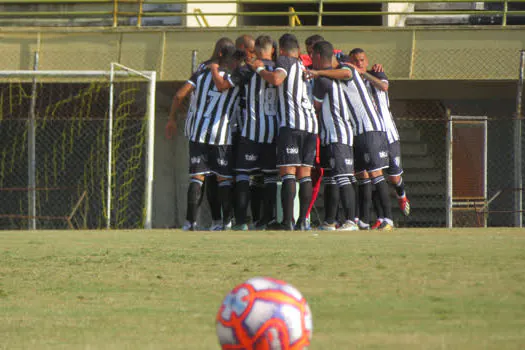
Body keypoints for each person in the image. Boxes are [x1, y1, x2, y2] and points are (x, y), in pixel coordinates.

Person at [308, 54, 394, 231]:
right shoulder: (335, 76)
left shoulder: (347, 68)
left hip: (369, 127)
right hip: (356, 131)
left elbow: (347, 73)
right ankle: (357, 220)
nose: (358, 64)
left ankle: (388, 219)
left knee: (375, 173)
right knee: (361, 175)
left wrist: (317, 72)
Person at [165, 45, 241, 231]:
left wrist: (172, 119)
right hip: (221, 134)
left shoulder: (200, 74)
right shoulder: (235, 78)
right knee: (223, 179)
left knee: (197, 178)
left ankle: (190, 222)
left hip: (198, 133)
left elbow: (179, 95)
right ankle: (225, 222)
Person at [209, 35, 279, 230]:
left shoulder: (248, 69)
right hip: (273, 131)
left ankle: (240, 222)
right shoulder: (280, 68)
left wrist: (215, 69)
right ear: (272, 49)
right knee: (269, 177)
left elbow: (222, 85)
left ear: (255, 49)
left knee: (242, 175)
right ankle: (268, 220)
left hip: (251, 131)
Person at [249, 33, 318, 231]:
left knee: (288, 172)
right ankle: (302, 221)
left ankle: (287, 221)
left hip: (292, 123)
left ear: (281, 50)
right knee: (304, 174)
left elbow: (277, 79)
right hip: (310, 125)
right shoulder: (304, 67)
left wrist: (260, 68)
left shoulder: (285, 61)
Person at [349, 48, 410, 228]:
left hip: (388, 134)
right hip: (372, 134)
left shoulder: (375, 73)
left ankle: (401, 194)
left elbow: (384, 86)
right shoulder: (352, 82)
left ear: (366, 61)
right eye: (355, 61)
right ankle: (380, 218)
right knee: (374, 175)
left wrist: (364, 74)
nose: (359, 64)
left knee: (393, 177)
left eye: (361, 60)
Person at [310, 41, 358, 231]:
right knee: (330, 178)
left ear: (320, 56)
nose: (311, 59)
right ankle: (330, 221)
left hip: (339, 135)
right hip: (329, 135)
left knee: (343, 177)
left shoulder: (324, 78)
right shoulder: (333, 75)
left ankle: (351, 221)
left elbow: (315, 106)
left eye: (313, 55)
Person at [193, 37, 235, 231]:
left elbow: (186, 93)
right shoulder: (209, 68)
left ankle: (221, 220)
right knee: (215, 177)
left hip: (208, 129)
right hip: (219, 131)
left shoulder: (207, 68)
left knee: (215, 177)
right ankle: (220, 221)